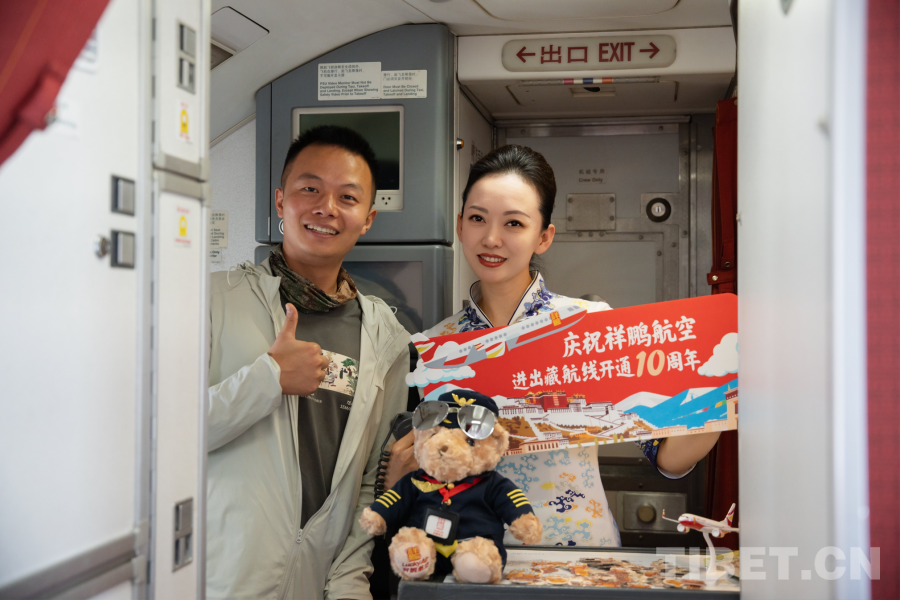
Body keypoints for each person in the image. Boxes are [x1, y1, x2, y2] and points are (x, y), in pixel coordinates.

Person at [387, 144, 720, 547]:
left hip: (579, 560)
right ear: (460, 226)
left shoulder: (591, 326)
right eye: (477, 218)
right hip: (469, 557)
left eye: (514, 223)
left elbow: (666, 457)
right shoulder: (435, 349)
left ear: (543, 237)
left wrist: (720, 393)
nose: (491, 238)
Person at [206, 125, 411, 600]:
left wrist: (349, 585)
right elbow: (162, 441)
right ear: (280, 201)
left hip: (324, 585)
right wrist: (268, 379)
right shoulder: (212, 301)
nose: (326, 207)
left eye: (347, 197)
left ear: (367, 219)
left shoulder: (386, 338)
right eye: (310, 189)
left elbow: (369, 482)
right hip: (219, 579)